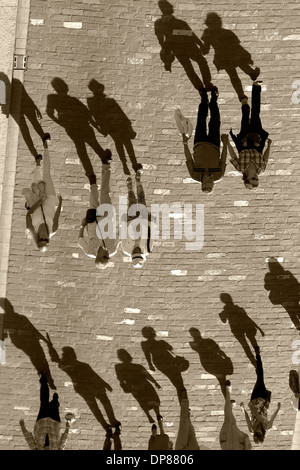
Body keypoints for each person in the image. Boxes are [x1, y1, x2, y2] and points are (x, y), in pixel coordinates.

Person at [154, 0, 213, 91]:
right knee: (198, 64)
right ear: (166, 8)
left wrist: (167, 52)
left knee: (190, 67)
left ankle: (202, 88)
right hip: (187, 46)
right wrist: (200, 44)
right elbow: (189, 34)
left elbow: (161, 40)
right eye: (170, 6)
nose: (172, 7)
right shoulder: (175, 23)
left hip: (181, 48)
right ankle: (206, 85)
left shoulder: (161, 23)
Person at [87, 80, 143, 176]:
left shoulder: (91, 101)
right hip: (118, 123)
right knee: (127, 143)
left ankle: (124, 163)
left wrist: (99, 128)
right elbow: (120, 113)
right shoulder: (108, 101)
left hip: (111, 126)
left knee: (119, 143)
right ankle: (133, 162)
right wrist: (129, 127)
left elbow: (94, 116)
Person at [201, 12, 260, 101]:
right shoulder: (224, 33)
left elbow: (206, 48)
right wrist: (247, 56)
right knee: (239, 68)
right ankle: (251, 75)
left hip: (223, 56)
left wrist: (202, 49)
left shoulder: (209, 33)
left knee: (234, 74)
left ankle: (242, 94)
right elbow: (237, 46)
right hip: (230, 55)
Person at [227, 81, 272, 189]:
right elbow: (265, 158)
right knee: (256, 113)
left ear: (247, 178)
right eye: (257, 179)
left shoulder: (240, 168)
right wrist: (269, 145)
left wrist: (227, 142)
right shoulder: (261, 169)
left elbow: (233, 156)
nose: (256, 177)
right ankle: (256, 87)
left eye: (253, 179)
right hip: (257, 137)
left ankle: (244, 104)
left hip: (244, 139)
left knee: (245, 117)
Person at [182, 87, 228, 193]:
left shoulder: (194, 175)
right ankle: (214, 99)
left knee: (201, 120)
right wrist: (225, 144)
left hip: (199, 143)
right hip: (214, 144)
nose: (212, 181)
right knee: (215, 120)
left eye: (209, 182)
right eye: (212, 184)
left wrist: (184, 143)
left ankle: (203, 99)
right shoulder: (218, 175)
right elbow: (223, 159)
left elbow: (189, 159)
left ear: (203, 183)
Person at [23, 133, 62, 251]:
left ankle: (38, 164)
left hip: (36, 201)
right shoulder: (53, 229)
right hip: (50, 198)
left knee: (37, 181)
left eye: (41, 240)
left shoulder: (31, 228)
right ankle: (46, 146)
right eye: (46, 240)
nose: (44, 238)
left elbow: (28, 214)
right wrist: (60, 203)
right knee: (47, 174)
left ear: (38, 238)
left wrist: (38, 203)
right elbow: (57, 215)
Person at [78, 159, 118, 269]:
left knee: (93, 199)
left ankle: (93, 183)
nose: (108, 256)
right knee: (105, 192)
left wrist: (82, 226)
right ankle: (106, 166)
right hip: (107, 216)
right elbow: (119, 236)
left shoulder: (89, 251)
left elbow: (80, 240)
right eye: (108, 259)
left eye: (105, 258)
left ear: (98, 257)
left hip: (92, 221)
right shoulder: (112, 250)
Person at [19, 370, 73, 450]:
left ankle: (43, 379)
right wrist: (68, 424)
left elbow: (29, 440)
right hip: (54, 423)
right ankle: (55, 400)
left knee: (44, 401)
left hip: (41, 422)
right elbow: (63, 441)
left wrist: (23, 427)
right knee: (54, 404)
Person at [240, 347, 281, 444]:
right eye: (259, 431)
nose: (257, 429)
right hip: (263, 399)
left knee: (258, 381)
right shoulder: (267, 427)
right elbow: (273, 417)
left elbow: (247, 418)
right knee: (260, 378)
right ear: (262, 434)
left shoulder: (251, 429)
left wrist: (243, 410)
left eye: (256, 431)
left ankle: (258, 370)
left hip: (254, 400)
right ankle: (258, 356)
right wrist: (278, 409)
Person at [120, 170, 152, 268]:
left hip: (131, 221)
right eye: (139, 253)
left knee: (132, 201)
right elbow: (151, 235)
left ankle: (130, 188)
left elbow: (123, 234)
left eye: (135, 253)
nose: (137, 251)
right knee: (141, 199)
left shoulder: (125, 248)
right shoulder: (148, 249)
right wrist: (150, 222)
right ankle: (138, 180)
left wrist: (123, 222)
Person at [219, 381, 252, 450]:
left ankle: (228, 392)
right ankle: (229, 407)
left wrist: (244, 437)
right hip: (227, 444)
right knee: (231, 421)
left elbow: (246, 438)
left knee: (228, 419)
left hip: (234, 442)